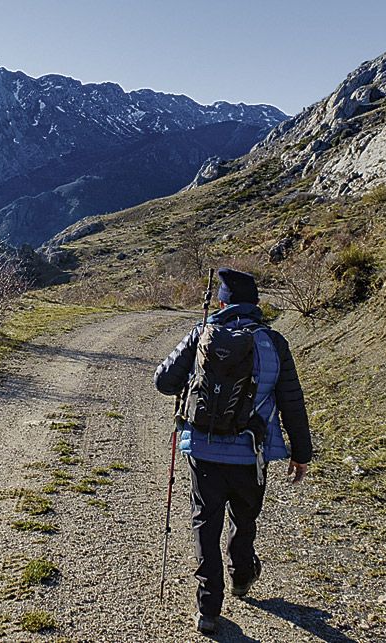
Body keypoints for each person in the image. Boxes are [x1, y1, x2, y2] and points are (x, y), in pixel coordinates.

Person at [154, 268, 313, 634]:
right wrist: (300, 452)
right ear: (257, 306)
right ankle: (242, 574)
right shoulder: (274, 342)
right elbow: (292, 402)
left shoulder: (201, 334)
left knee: (204, 522)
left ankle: (208, 607)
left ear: (222, 302)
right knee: (244, 520)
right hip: (251, 455)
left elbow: (163, 381)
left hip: (203, 450)